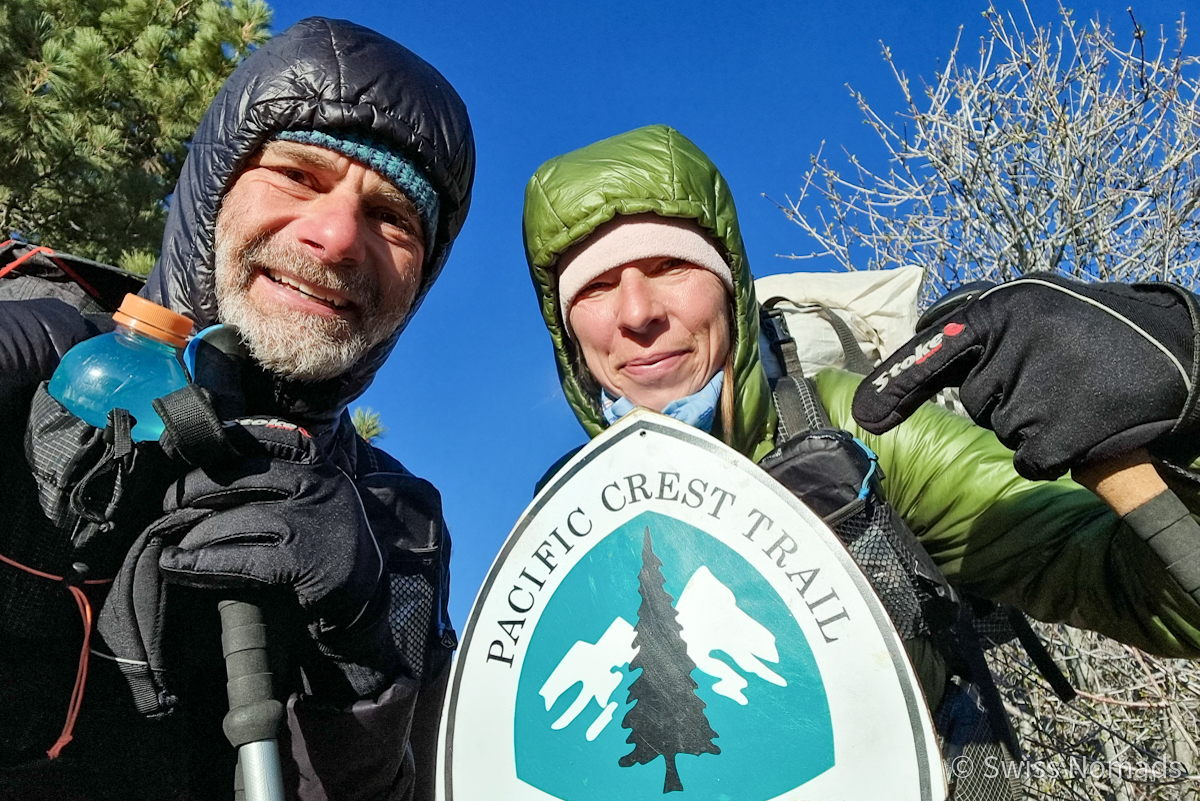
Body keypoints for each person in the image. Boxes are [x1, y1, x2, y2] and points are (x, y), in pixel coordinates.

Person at [521, 124, 1200, 795]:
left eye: (670, 266)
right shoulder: (563, 526)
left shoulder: (855, 428)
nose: (637, 311)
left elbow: (1140, 587)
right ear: (568, 333)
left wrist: (1178, 430)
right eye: (596, 287)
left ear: (731, 287)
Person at [0, 17, 474, 801]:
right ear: (213, 187)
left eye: (394, 217)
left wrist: (358, 671)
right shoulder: (34, 354)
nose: (336, 237)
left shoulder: (399, 532)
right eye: (297, 174)